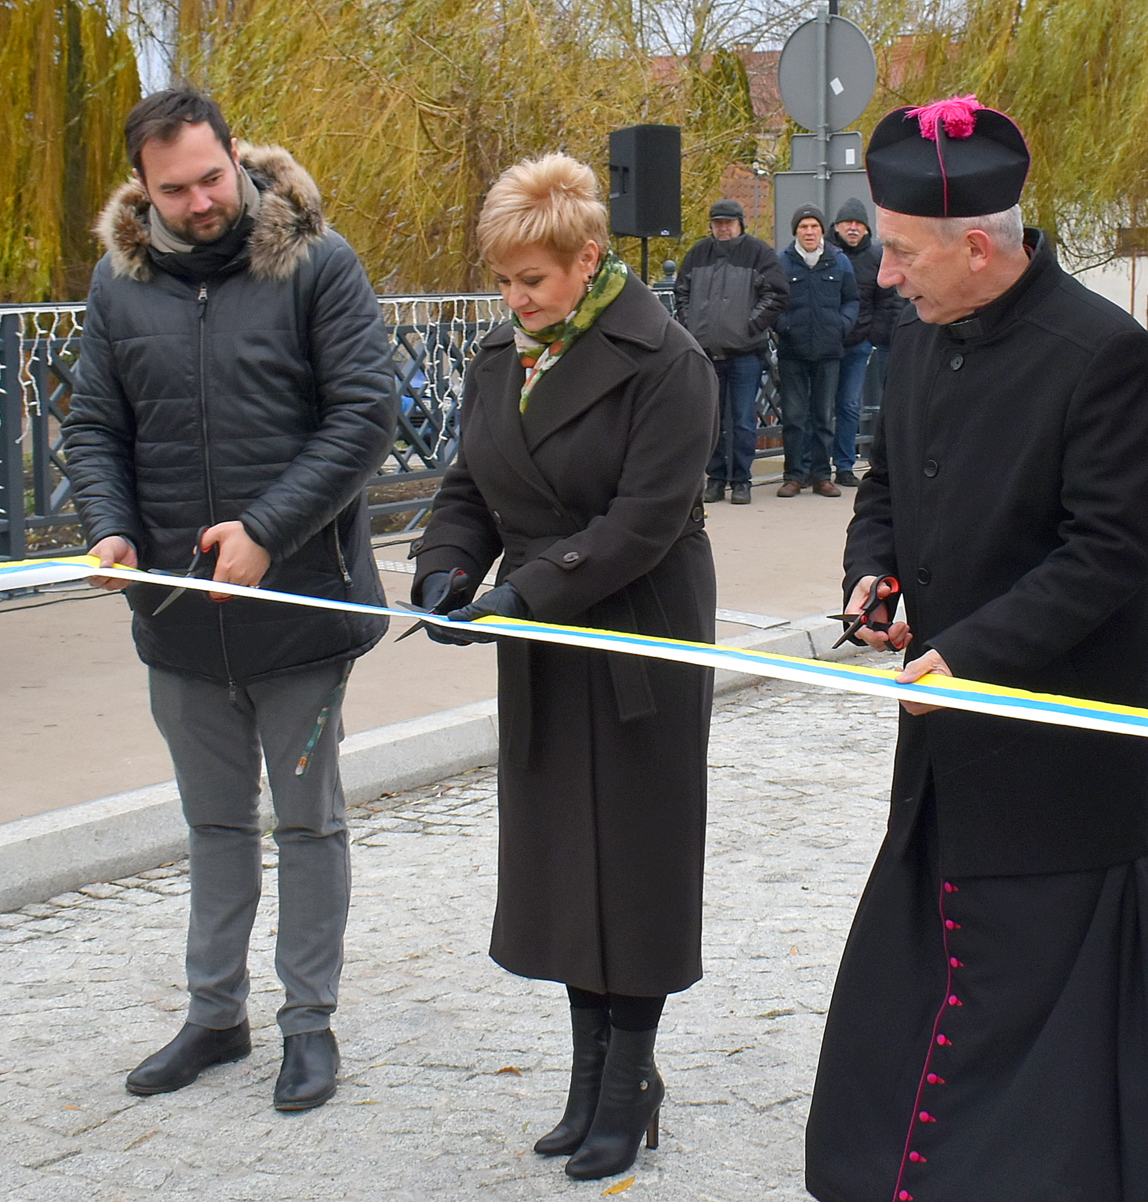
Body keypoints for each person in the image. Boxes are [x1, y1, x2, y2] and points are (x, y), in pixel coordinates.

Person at [806, 96, 1148, 1202]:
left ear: (976, 245)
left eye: (899, 252)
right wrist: (872, 573)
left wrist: (967, 656)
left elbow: (1103, 556)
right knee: (929, 983)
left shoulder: (1106, 353)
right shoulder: (924, 332)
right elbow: (883, 483)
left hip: (1057, 762)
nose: (884, 277)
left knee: (1041, 1033)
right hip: (944, 750)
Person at [63, 89, 396, 1111]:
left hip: (300, 609)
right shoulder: (117, 288)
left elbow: (365, 414)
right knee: (213, 826)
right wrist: (109, 526)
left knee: (307, 824)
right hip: (174, 617)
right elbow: (92, 427)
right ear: (145, 189)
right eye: (178, 188)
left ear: (235, 158)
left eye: (214, 176)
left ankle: (309, 1023)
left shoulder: (317, 262)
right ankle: (216, 1012)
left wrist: (266, 530)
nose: (204, 200)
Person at [410, 154, 717, 1181]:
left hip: (636, 633)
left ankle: (629, 1081)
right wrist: (447, 571)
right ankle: (592, 1077)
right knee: (561, 862)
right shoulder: (503, 355)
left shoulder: (667, 360)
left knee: (634, 861)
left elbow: (643, 522)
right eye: (502, 281)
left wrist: (526, 592)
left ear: (588, 261)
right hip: (544, 633)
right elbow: (470, 484)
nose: (513, 300)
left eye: (531, 280)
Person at [676, 198, 787, 504]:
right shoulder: (698, 253)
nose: (723, 228)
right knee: (711, 419)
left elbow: (777, 294)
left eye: (728, 223)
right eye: (718, 223)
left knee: (741, 420)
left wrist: (750, 326)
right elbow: (681, 292)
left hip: (746, 353)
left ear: (740, 224)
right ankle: (715, 478)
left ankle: (741, 480)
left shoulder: (759, 253)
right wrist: (691, 326)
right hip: (707, 351)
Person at [775, 204, 857, 497]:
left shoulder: (839, 261)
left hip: (829, 351)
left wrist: (841, 325)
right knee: (794, 417)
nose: (809, 232)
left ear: (823, 230)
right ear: (795, 231)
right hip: (792, 352)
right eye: (803, 227)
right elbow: (773, 300)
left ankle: (822, 476)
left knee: (824, 416)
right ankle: (794, 476)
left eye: (814, 226)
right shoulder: (782, 262)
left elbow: (852, 299)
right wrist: (784, 326)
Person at [827, 197, 888, 486]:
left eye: (858, 224)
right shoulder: (824, 253)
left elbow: (887, 300)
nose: (853, 228)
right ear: (836, 226)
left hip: (858, 344)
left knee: (850, 406)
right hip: (825, 345)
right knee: (820, 407)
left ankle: (844, 465)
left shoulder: (877, 258)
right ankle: (813, 467)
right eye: (847, 223)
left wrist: (871, 334)